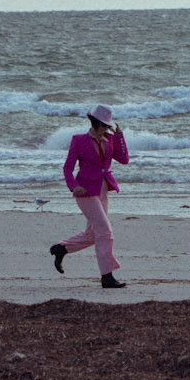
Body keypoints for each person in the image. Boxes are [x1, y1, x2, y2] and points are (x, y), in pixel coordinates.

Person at [51, 104, 130, 290]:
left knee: (93, 234)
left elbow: (124, 159)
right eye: (103, 126)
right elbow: (67, 168)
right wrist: (74, 186)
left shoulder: (110, 139)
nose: (105, 129)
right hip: (85, 192)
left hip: (103, 189)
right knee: (106, 232)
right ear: (94, 123)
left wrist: (119, 137)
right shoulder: (79, 140)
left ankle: (62, 249)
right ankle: (107, 276)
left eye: (108, 126)